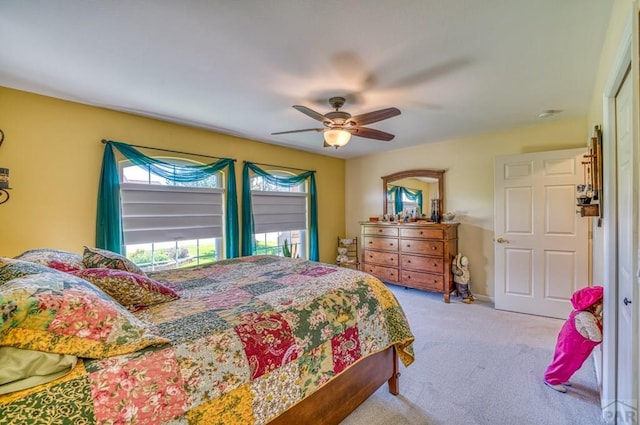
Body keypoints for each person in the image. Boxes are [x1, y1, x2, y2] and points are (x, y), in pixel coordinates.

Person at [544, 285, 603, 393]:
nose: (601, 306)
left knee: (574, 364)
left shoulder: (587, 315)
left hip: (577, 345)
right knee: (564, 361)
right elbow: (596, 337)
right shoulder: (586, 316)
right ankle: (551, 378)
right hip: (572, 345)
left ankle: (562, 377)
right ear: (594, 304)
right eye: (600, 303)